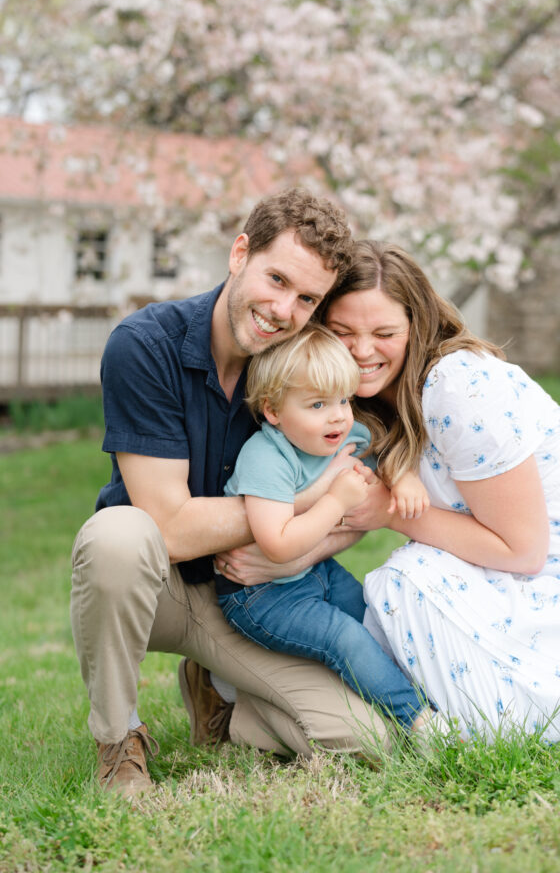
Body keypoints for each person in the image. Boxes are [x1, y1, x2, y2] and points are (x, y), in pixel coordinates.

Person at [70, 190, 391, 800]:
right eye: (276, 279)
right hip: (151, 584)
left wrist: (294, 551)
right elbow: (168, 526)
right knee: (118, 536)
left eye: (306, 299)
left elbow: (360, 502)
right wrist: (305, 502)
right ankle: (119, 737)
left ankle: (224, 699)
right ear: (239, 253)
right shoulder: (145, 346)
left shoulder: (305, 371)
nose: (281, 310)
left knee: (366, 739)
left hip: (250, 595)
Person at [320, 239, 560, 742]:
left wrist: (389, 512)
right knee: (397, 608)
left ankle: (489, 718)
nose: (362, 351)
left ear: (417, 326)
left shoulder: (458, 386)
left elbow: (523, 549)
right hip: (526, 567)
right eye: (342, 333)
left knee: (409, 580)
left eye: (384, 332)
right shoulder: (357, 402)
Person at [214, 323, 441, 741]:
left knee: (374, 617)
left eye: (343, 399)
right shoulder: (266, 457)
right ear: (274, 411)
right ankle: (420, 723)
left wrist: (403, 479)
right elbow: (278, 545)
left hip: (317, 571)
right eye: (317, 404)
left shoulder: (346, 434)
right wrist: (336, 500)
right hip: (260, 596)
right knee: (344, 639)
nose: (337, 414)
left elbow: (386, 450)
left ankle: (436, 698)